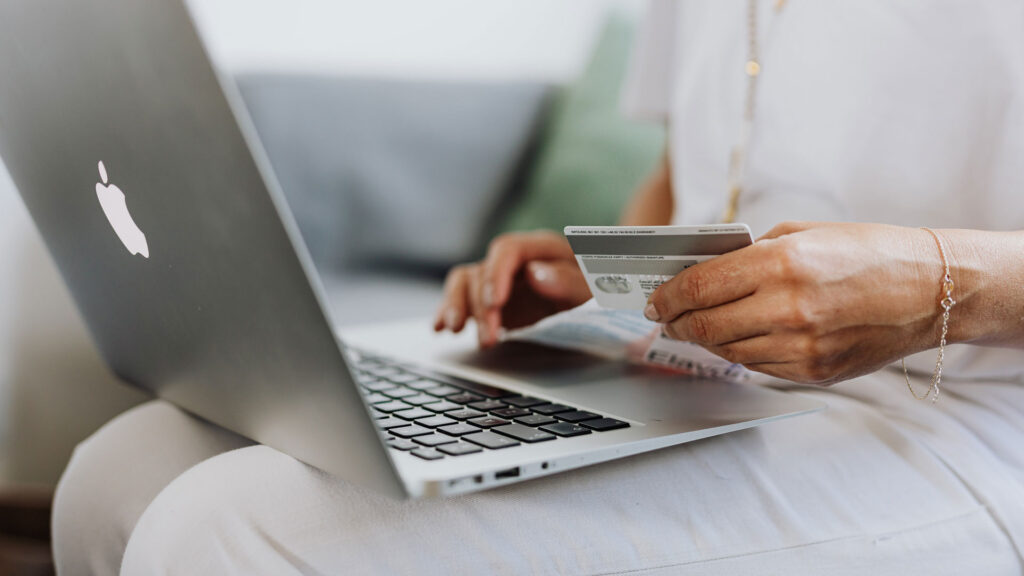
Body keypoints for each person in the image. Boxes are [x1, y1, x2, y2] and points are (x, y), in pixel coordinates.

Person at [53, 1, 1024, 574]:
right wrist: (619, 271)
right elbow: (685, 172)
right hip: (696, 368)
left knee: (221, 532)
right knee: (121, 472)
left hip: (952, 416)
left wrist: (940, 282)